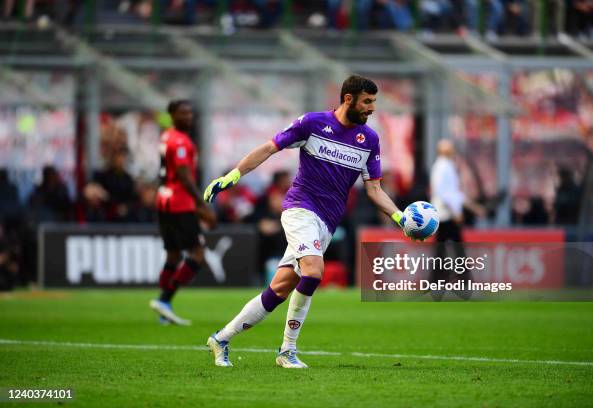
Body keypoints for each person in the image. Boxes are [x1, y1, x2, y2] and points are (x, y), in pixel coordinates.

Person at [202, 75, 415, 368]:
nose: (371, 108)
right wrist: (232, 176)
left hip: (326, 222)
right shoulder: (312, 124)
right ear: (348, 99)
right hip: (300, 209)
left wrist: (401, 219)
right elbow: (269, 148)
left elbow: (375, 189)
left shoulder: (370, 140)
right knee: (313, 272)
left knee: (278, 289)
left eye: (374, 102)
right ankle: (287, 351)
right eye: (367, 102)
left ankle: (221, 339)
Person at [149, 99, 216, 326]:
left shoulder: (166, 136)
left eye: (189, 112)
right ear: (172, 115)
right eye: (182, 112)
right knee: (197, 254)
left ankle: (162, 311)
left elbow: (163, 173)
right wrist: (202, 205)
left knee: (173, 255)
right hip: (179, 204)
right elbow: (185, 176)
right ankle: (165, 300)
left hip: (164, 200)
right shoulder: (180, 141)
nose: (187, 116)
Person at [430, 139, 485, 300]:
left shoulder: (446, 166)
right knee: (455, 251)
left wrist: (472, 207)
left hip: (446, 215)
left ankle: (438, 286)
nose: (452, 149)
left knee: (444, 251)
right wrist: (455, 211)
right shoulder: (442, 167)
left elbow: (454, 193)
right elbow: (444, 192)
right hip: (445, 215)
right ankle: (462, 285)